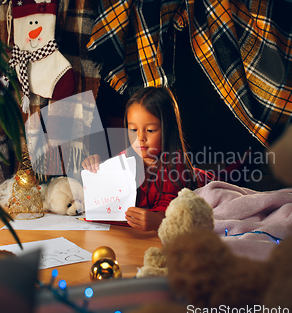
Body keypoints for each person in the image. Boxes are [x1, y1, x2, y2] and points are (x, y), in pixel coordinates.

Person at [82, 87, 214, 231]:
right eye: (133, 130)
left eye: (150, 130)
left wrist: (159, 219)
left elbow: (173, 209)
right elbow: (108, 195)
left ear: (168, 130)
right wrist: (96, 168)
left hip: (202, 179)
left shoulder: (174, 165)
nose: (140, 138)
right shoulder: (125, 158)